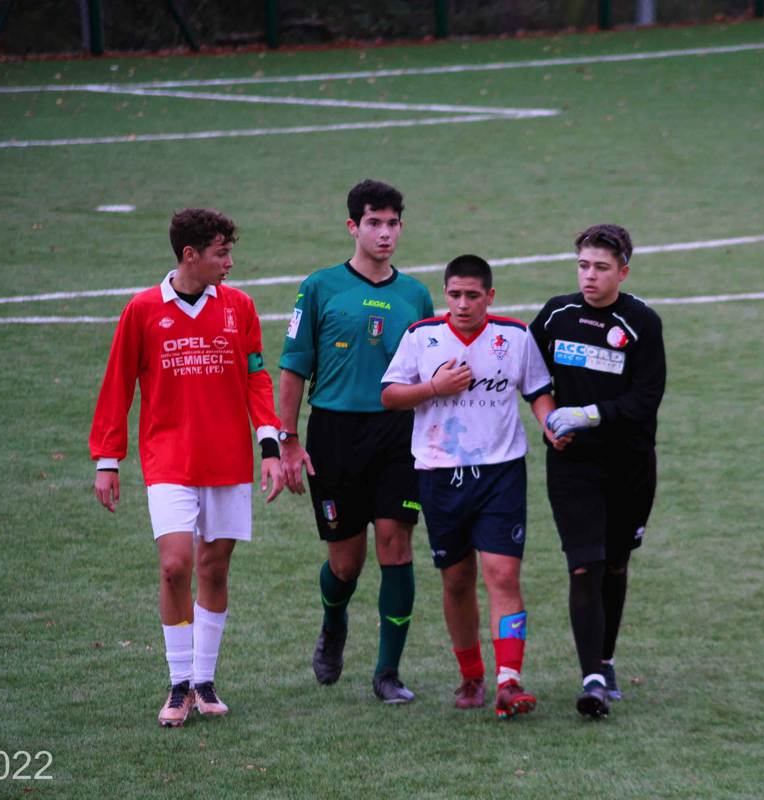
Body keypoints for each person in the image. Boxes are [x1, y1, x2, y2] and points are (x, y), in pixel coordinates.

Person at [90, 208, 285, 727]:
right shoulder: (143, 310)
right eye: (222, 253)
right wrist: (108, 459)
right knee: (175, 565)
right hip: (168, 459)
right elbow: (118, 383)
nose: (230, 262)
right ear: (190, 255)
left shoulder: (239, 307)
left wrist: (269, 444)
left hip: (228, 459)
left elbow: (256, 377)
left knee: (214, 568)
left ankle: (204, 680)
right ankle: (178, 683)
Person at [380, 254, 563, 718]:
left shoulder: (515, 337)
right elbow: (390, 395)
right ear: (445, 294)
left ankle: (509, 680)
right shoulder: (422, 336)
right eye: (455, 295)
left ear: (490, 296)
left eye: (473, 295)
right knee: (457, 580)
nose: (462, 304)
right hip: (440, 474)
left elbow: (538, 391)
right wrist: (433, 388)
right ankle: (471, 675)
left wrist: (549, 424)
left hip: (501, 472)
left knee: (502, 574)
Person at [278, 179, 434, 704]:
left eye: (392, 223)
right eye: (374, 223)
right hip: (335, 434)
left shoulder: (416, 296)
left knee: (396, 544)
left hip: (398, 434)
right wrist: (287, 440)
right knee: (346, 563)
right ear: (353, 226)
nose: (384, 233)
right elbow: (294, 367)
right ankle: (334, 623)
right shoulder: (319, 287)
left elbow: (426, 372)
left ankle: (388, 672)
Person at [530, 223, 666, 719]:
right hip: (573, 465)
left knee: (614, 563)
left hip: (629, 466)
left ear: (623, 272)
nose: (589, 276)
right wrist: (549, 422)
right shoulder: (556, 315)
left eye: (601, 268)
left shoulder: (642, 323)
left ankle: (605, 659)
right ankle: (591, 679)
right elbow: (531, 375)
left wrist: (586, 415)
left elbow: (645, 399)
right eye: (583, 265)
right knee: (584, 563)